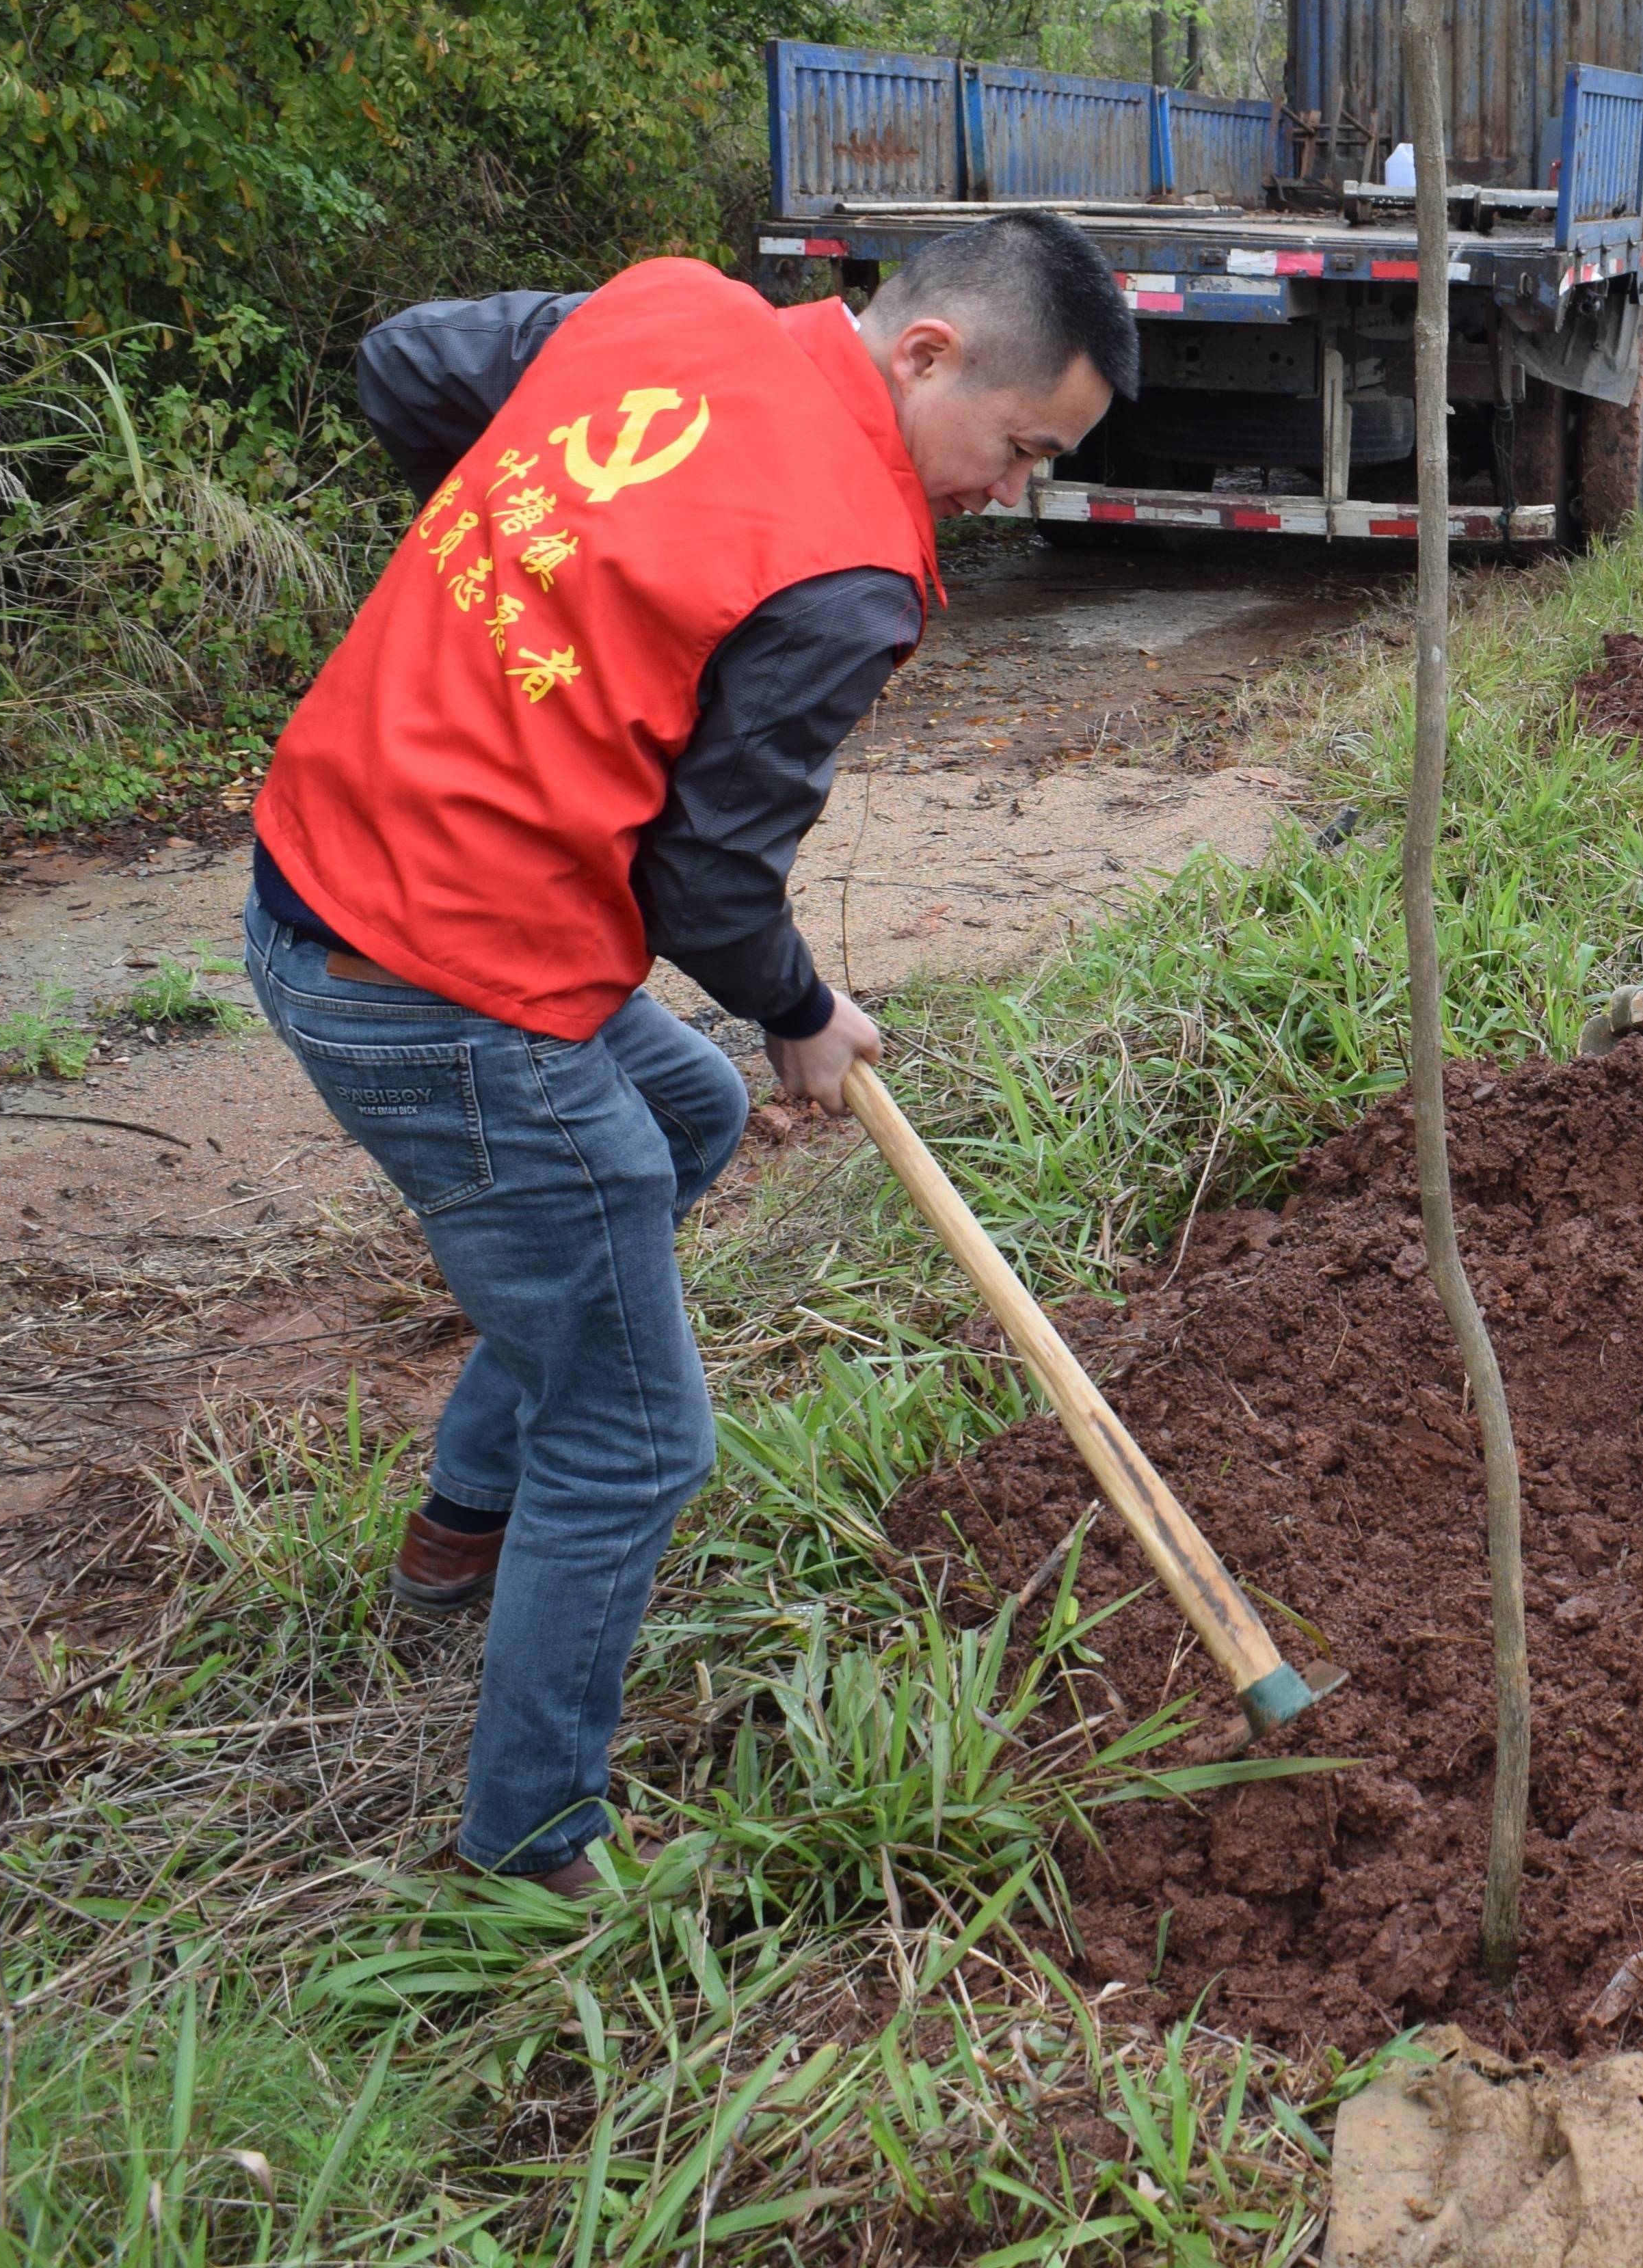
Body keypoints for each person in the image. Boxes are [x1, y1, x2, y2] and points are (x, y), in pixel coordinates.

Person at [243, 216, 1137, 1887]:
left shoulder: (669, 310)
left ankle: (463, 1525)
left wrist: (546, 587)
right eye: (1021, 450)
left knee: (686, 1109)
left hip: (315, 881)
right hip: (449, 987)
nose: (1010, 491)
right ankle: (531, 1849)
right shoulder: (845, 566)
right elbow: (707, 879)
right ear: (928, 353)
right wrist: (805, 1010)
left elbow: (408, 366)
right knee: (641, 1436)